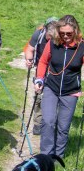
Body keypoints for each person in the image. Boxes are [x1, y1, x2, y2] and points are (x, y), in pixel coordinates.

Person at [34, 15, 84, 158]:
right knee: (48, 121)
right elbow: (43, 62)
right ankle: (45, 156)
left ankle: (57, 157)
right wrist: (39, 79)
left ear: (75, 31)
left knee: (63, 127)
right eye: (62, 33)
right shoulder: (52, 43)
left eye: (69, 33)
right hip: (51, 87)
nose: (66, 36)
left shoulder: (81, 46)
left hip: (71, 91)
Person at [24, 17, 58, 135]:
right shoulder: (38, 34)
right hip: (41, 68)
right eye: (49, 37)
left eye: (53, 38)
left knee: (53, 96)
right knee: (38, 96)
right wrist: (28, 59)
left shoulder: (60, 38)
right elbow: (30, 49)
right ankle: (38, 124)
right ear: (45, 30)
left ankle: (51, 123)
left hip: (55, 70)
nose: (50, 40)